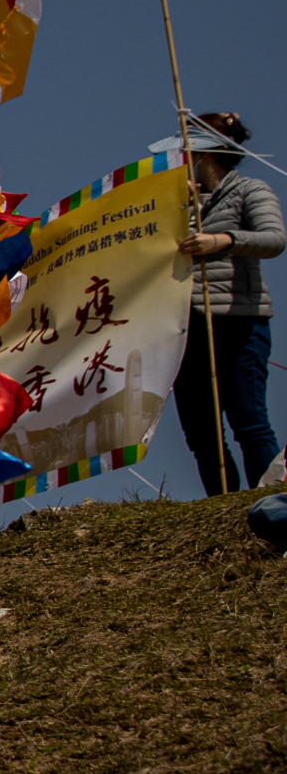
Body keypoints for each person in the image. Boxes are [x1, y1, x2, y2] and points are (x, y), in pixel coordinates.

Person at [164, 111, 285, 495]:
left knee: (249, 420)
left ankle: (269, 499)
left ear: (205, 151)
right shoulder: (175, 201)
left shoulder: (250, 190)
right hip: (186, 326)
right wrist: (176, 210)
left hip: (239, 320)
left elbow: (274, 239)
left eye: (187, 147)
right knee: (202, 432)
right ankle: (220, 505)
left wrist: (224, 240)